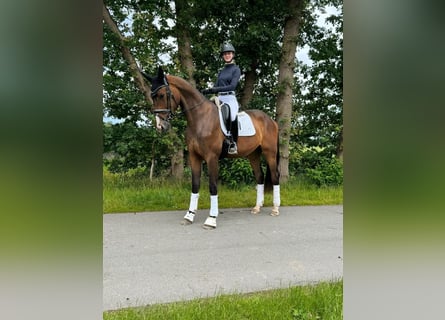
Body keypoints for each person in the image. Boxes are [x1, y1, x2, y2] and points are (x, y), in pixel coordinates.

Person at [201, 42, 241, 154]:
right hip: (219, 98)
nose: (227, 55)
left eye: (229, 53)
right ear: (223, 56)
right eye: (225, 54)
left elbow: (233, 86)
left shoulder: (236, 69)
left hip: (230, 98)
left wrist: (215, 90)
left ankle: (233, 142)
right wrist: (207, 90)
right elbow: (216, 86)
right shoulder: (221, 71)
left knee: (232, 115)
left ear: (232, 54)